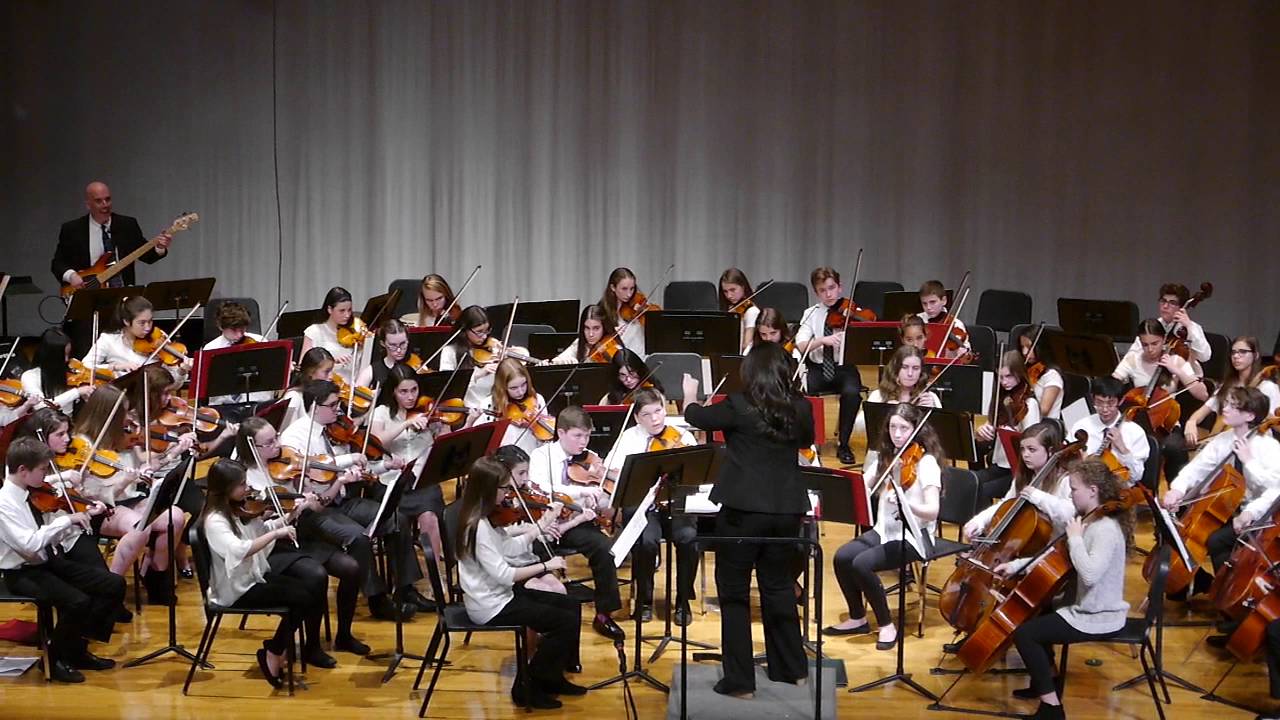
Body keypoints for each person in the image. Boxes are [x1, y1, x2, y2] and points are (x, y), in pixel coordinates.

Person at [682, 342, 812, 697]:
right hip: (786, 511)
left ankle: (740, 681)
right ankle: (791, 669)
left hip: (742, 513)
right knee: (778, 587)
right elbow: (808, 440)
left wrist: (690, 396)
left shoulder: (739, 405)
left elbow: (696, 418)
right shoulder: (799, 406)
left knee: (735, 593)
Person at [278, 379, 421, 621]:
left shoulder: (334, 429)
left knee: (397, 519)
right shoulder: (294, 438)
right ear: (315, 407)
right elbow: (312, 471)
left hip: (342, 500)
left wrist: (383, 465)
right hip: (314, 510)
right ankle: (377, 600)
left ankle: (406, 590)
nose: (339, 410)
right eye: (333, 405)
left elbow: (357, 467)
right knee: (359, 537)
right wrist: (348, 461)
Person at [1002, 458, 1133, 720]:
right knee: (1038, 610)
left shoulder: (1104, 528)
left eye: (1074, 489)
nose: (1070, 494)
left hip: (1098, 616)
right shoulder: (1089, 520)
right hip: (1085, 607)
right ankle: (1046, 681)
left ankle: (1052, 708)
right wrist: (1016, 565)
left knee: (1025, 634)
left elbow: (1090, 573)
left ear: (1092, 490)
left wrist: (1075, 539)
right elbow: (1054, 556)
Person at [454, 456, 587, 709]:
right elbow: (504, 574)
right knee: (563, 620)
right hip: (490, 605)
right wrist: (547, 566)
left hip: (502, 594)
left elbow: (511, 546)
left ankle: (552, 677)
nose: (508, 494)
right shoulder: (478, 526)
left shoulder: (486, 518)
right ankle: (527, 686)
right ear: (488, 489)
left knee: (571, 606)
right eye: (504, 488)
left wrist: (541, 525)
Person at [236, 418, 373, 655]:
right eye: (269, 443)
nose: (278, 445)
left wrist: (337, 482)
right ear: (252, 447)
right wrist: (293, 512)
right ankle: (311, 646)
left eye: (276, 437)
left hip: (301, 535)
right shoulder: (245, 480)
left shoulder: (287, 466)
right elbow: (257, 527)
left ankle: (344, 636)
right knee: (316, 575)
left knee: (351, 568)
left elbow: (319, 507)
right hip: (272, 545)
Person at [0, 437, 124, 683]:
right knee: (78, 602)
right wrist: (66, 520)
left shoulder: (31, 493)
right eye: (43, 470)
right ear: (23, 471)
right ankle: (55, 658)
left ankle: (75, 648)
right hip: (22, 572)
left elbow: (49, 536)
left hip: (48, 562)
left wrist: (83, 515)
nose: (47, 476)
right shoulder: (4, 504)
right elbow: (29, 544)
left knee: (113, 584)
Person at [824, 403, 943, 652]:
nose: (897, 434)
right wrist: (854, 487)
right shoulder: (887, 457)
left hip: (914, 536)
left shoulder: (927, 463)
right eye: (893, 428)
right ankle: (858, 617)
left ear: (916, 429)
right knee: (842, 557)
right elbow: (863, 486)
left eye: (904, 428)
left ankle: (887, 624)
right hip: (884, 531)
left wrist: (906, 505)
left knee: (862, 563)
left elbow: (933, 510)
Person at [198, 458, 327, 686]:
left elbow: (262, 530)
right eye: (242, 484)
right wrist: (276, 535)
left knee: (311, 588)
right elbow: (239, 550)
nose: (247, 488)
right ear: (225, 488)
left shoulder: (237, 509)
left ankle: (276, 649)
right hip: (235, 590)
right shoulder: (215, 520)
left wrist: (291, 515)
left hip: (252, 578)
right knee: (302, 597)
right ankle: (274, 651)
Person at [70, 384, 193, 603]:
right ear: (107, 414)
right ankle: (111, 589)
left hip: (129, 498)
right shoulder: (83, 445)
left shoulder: (126, 435)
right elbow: (90, 493)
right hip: (100, 506)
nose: (128, 417)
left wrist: (172, 453)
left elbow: (146, 466)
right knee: (140, 528)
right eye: (123, 412)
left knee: (175, 516)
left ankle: (155, 575)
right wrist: (127, 479)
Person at [1161, 388, 1280, 591]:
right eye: (1226, 403)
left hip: (1262, 517)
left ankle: (1231, 591)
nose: (1225, 408)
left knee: (1216, 541)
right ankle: (1210, 588)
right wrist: (1177, 490)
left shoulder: (1269, 447)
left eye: (1233, 406)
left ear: (1250, 416)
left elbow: (1275, 490)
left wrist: (1249, 462)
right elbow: (1196, 469)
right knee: (1182, 531)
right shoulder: (1223, 441)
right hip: (1228, 509)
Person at [527, 406, 626, 641]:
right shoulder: (541, 456)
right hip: (545, 522)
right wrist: (580, 492)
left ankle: (604, 613)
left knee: (604, 548)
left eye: (587, 436)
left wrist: (601, 497)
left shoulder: (590, 458)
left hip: (577, 522)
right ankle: (545, 616)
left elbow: (602, 495)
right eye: (578, 436)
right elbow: (541, 490)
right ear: (561, 433)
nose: (584, 442)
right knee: (535, 550)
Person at [604, 387, 700, 625]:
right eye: (647, 415)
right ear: (637, 418)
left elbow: (697, 474)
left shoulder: (682, 436)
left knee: (688, 538)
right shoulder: (629, 437)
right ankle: (644, 600)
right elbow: (611, 471)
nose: (655, 419)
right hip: (643, 506)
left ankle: (683, 601)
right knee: (646, 542)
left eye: (658, 411)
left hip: (676, 504)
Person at [794, 266, 863, 464]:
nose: (828, 294)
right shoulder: (811, 314)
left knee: (852, 394)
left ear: (840, 287)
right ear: (817, 293)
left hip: (845, 368)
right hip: (817, 368)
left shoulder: (852, 311)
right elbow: (800, 345)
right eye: (822, 290)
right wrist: (823, 340)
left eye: (832, 288)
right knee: (802, 396)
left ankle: (844, 443)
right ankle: (809, 443)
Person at [51, 181, 173, 291]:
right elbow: (58, 263)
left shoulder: (127, 225)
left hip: (123, 294)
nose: (105, 205)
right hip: (87, 292)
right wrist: (72, 276)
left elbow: (146, 256)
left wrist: (160, 247)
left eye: (108, 199)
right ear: (88, 205)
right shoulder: (73, 229)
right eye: (98, 201)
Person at [964, 422, 1072, 540]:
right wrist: (978, 522)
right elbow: (1007, 504)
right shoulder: (1025, 476)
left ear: (1050, 451)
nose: (1025, 455)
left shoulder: (1065, 480)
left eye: (1032, 450)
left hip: (1053, 544)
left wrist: (1039, 497)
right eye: (1022, 449)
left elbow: (1069, 514)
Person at [974, 350, 1042, 506]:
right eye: (1001, 377)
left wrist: (1013, 433)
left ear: (1020, 373)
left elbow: (1032, 441)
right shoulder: (1002, 398)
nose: (1004, 382)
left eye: (1009, 376)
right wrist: (981, 433)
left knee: (982, 490)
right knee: (971, 483)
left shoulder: (1029, 404)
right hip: (1000, 464)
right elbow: (988, 431)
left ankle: (988, 528)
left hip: (1018, 470)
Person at [1184, 336, 1280, 446]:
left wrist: (1260, 410)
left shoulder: (1268, 387)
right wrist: (1191, 422)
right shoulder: (1228, 386)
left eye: (1242, 352)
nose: (1236, 356)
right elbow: (1201, 412)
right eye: (1233, 352)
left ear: (1255, 355)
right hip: (1223, 445)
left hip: (1254, 446)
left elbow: (1277, 426)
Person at [1068, 377, 1150, 483]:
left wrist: (1123, 449)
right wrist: (1079, 462)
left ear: (1120, 401)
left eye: (1110, 403)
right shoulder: (1081, 426)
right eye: (1099, 402)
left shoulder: (1135, 432)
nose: (1105, 409)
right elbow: (1066, 463)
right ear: (1093, 399)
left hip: (1120, 490)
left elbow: (1136, 476)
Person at [201, 301, 271, 407]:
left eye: (242, 329)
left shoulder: (260, 341)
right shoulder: (211, 348)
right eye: (234, 330)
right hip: (223, 405)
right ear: (221, 327)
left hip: (257, 402)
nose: (239, 335)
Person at [1125, 283, 1212, 366]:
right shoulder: (1151, 327)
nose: (1165, 306)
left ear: (1181, 307)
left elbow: (1204, 356)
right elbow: (1133, 353)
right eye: (1163, 301)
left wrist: (1189, 326)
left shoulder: (1191, 327)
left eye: (1172, 303)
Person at [20, 328, 94, 416]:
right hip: (49, 426)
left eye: (68, 354)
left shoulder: (71, 371)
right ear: (51, 356)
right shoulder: (30, 377)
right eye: (63, 356)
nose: (67, 360)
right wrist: (77, 392)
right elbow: (42, 406)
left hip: (71, 421)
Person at [485, 358, 553, 454]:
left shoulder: (537, 399)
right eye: (514, 388)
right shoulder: (489, 404)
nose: (520, 391)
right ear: (502, 387)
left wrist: (538, 424)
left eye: (524, 384)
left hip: (533, 455)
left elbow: (544, 442)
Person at [301, 287, 368, 383]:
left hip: (352, 388)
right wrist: (331, 362)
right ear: (330, 309)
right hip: (324, 388)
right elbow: (304, 367)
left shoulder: (355, 332)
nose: (347, 315)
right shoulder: (314, 331)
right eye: (342, 311)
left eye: (349, 310)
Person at [1015, 326, 1064, 420]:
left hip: (1043, 427)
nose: (1024, 352)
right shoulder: (1027, 370)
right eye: (1022, 347)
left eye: (1029, 347)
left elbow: (1043, 411)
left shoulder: (1052, 376)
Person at [281, 347, 335, 430]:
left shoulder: (318, 395)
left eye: (332, 371)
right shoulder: (293, 397)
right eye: (326, 371)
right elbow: (284, 429)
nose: (331, 377)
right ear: (310, 371)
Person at [918, 280, 970, 360]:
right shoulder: (918, 320)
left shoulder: (956, 324)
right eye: (924, 303)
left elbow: (966, 354)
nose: (928, 307)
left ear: (944, 300)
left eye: (932, 302)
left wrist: (962, 352)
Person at [355, 319, 413, 389]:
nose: (399, 350)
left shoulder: (415, 369)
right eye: (393, 345)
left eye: (403, 343)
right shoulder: (371, 372)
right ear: (383, 343)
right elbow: (356, 398)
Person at [550, 304, 617, 364]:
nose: (591, 334)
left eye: (596, 328)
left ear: (604, 327)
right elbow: (561, 358)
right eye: (587, 328)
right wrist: (553, 362)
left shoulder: (612, 345)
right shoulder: (579, 343)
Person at [720, 268, 760, 352]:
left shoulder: (752, 311)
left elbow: (746, 344)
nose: (729, 296)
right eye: (725, 292)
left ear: (743, 287)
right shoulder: (730, 308)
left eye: (733, 290)